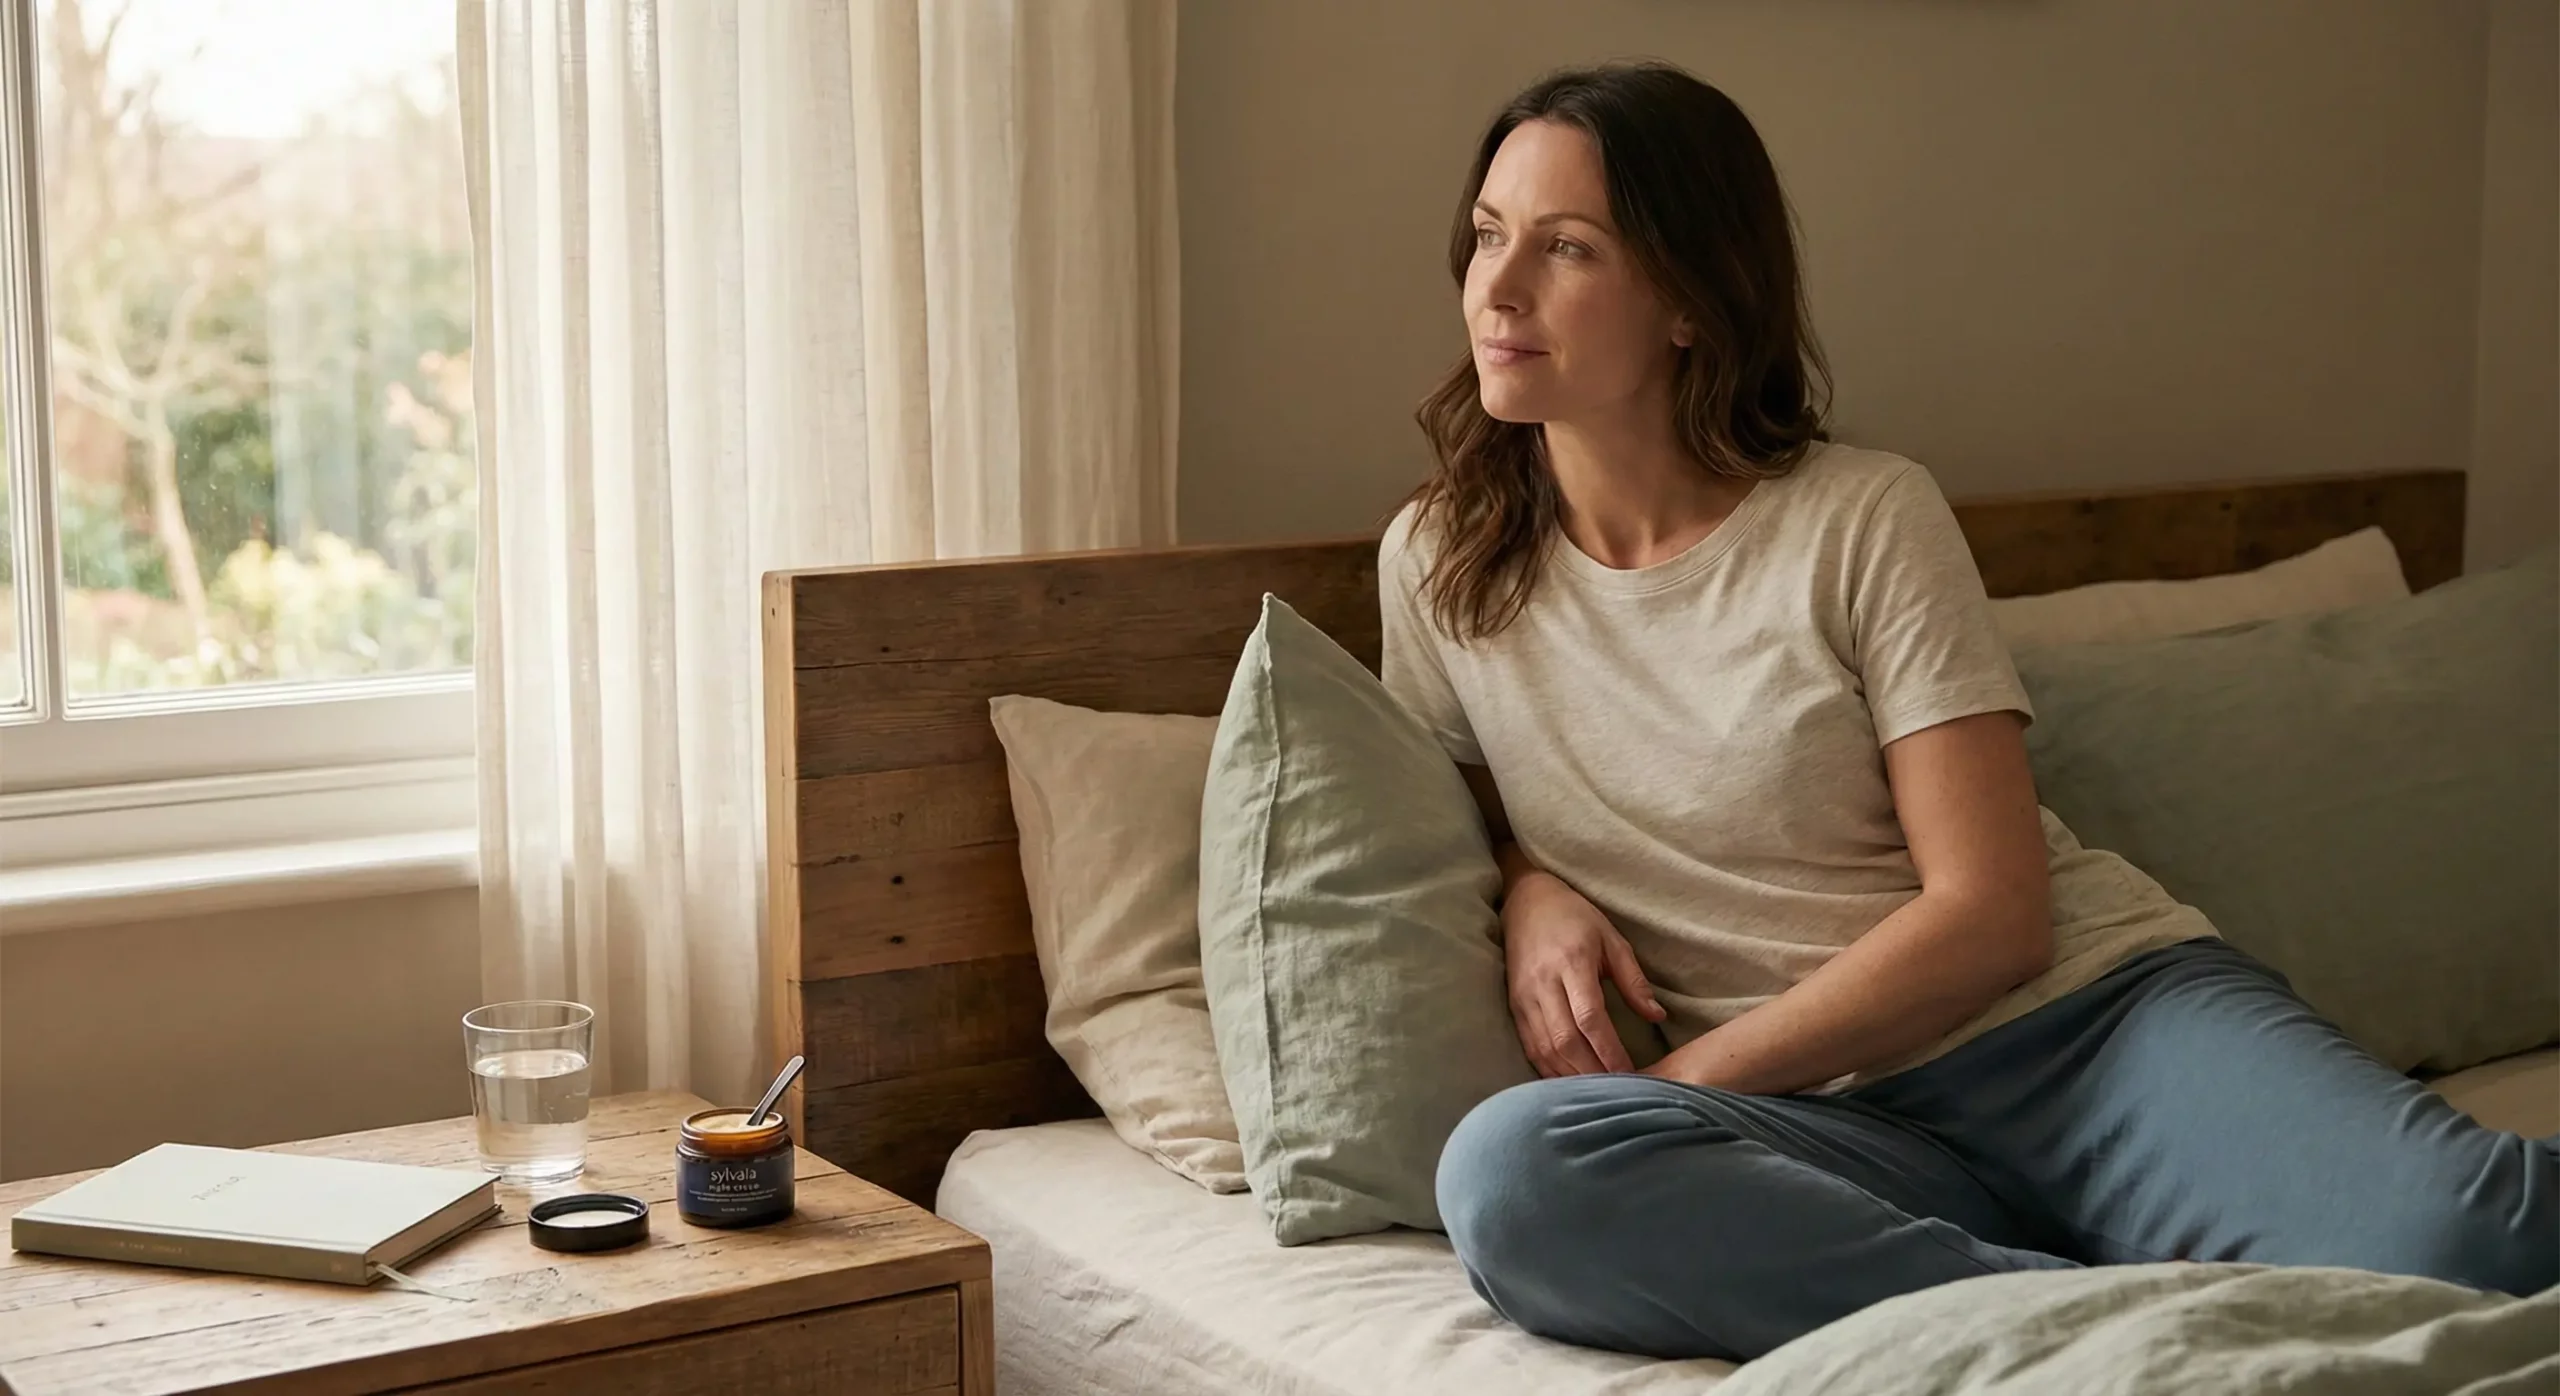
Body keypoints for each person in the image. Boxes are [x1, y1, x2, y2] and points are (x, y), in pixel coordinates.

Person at [1385, 60, 2558, 1365]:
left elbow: (1991, 915)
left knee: (2477, 1238)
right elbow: (1465, 820)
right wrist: (1532, 886)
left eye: (1568, 248)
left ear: (1686, 301)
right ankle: (2095, 1320)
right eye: (1489, 235)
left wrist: (1684, 1088)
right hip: (1832, 1136)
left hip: (2081, 1039)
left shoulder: (1859, 518)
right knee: (1513, 1175)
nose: (1496, 287)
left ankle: (2070, 1298)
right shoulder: (1442, 563)